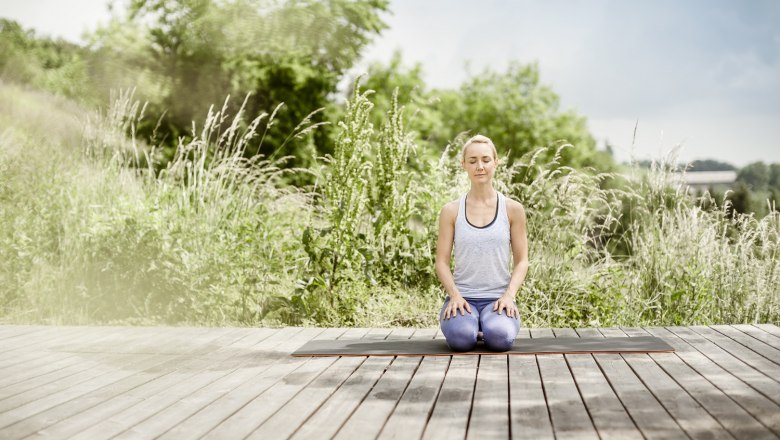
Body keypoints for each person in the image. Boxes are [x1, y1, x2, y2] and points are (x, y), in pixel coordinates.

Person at [435, 134, 529, 352]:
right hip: (462, 299)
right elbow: (441, 262)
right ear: (463, 165)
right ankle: (470, 325)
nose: (480, 166)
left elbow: (522, 260)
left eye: (486, 160)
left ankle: (488, 324)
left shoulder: (513, 209)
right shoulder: (450, 211)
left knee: (500, 338)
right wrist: (455, 296)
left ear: (496, 163)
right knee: (461, 340)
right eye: (473, 161)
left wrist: (509, 296)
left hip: (498, 300)